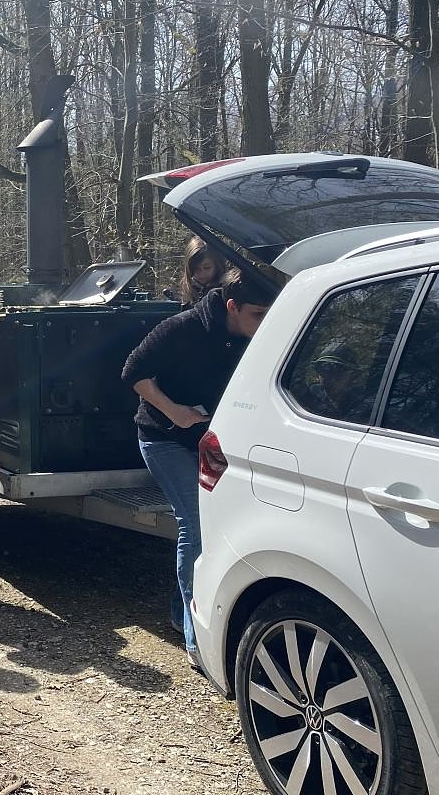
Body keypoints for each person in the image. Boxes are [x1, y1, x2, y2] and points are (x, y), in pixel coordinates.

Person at [121, 269, 275, 668]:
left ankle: (180, 610)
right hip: (163, 439)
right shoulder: (181, 327)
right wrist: (174, 411)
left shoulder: (255, 336)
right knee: (196, 524)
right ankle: (196, 640)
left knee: (221, 523)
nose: (264, 323)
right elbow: (133, 372)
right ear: (232, 306)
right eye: (257, 314)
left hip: (213, 442)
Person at [177, 237, 229, 307]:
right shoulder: (188, 288)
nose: (202, 273)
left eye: (207, 268)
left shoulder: (225, 290)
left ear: (217, 265)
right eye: (196, 268)